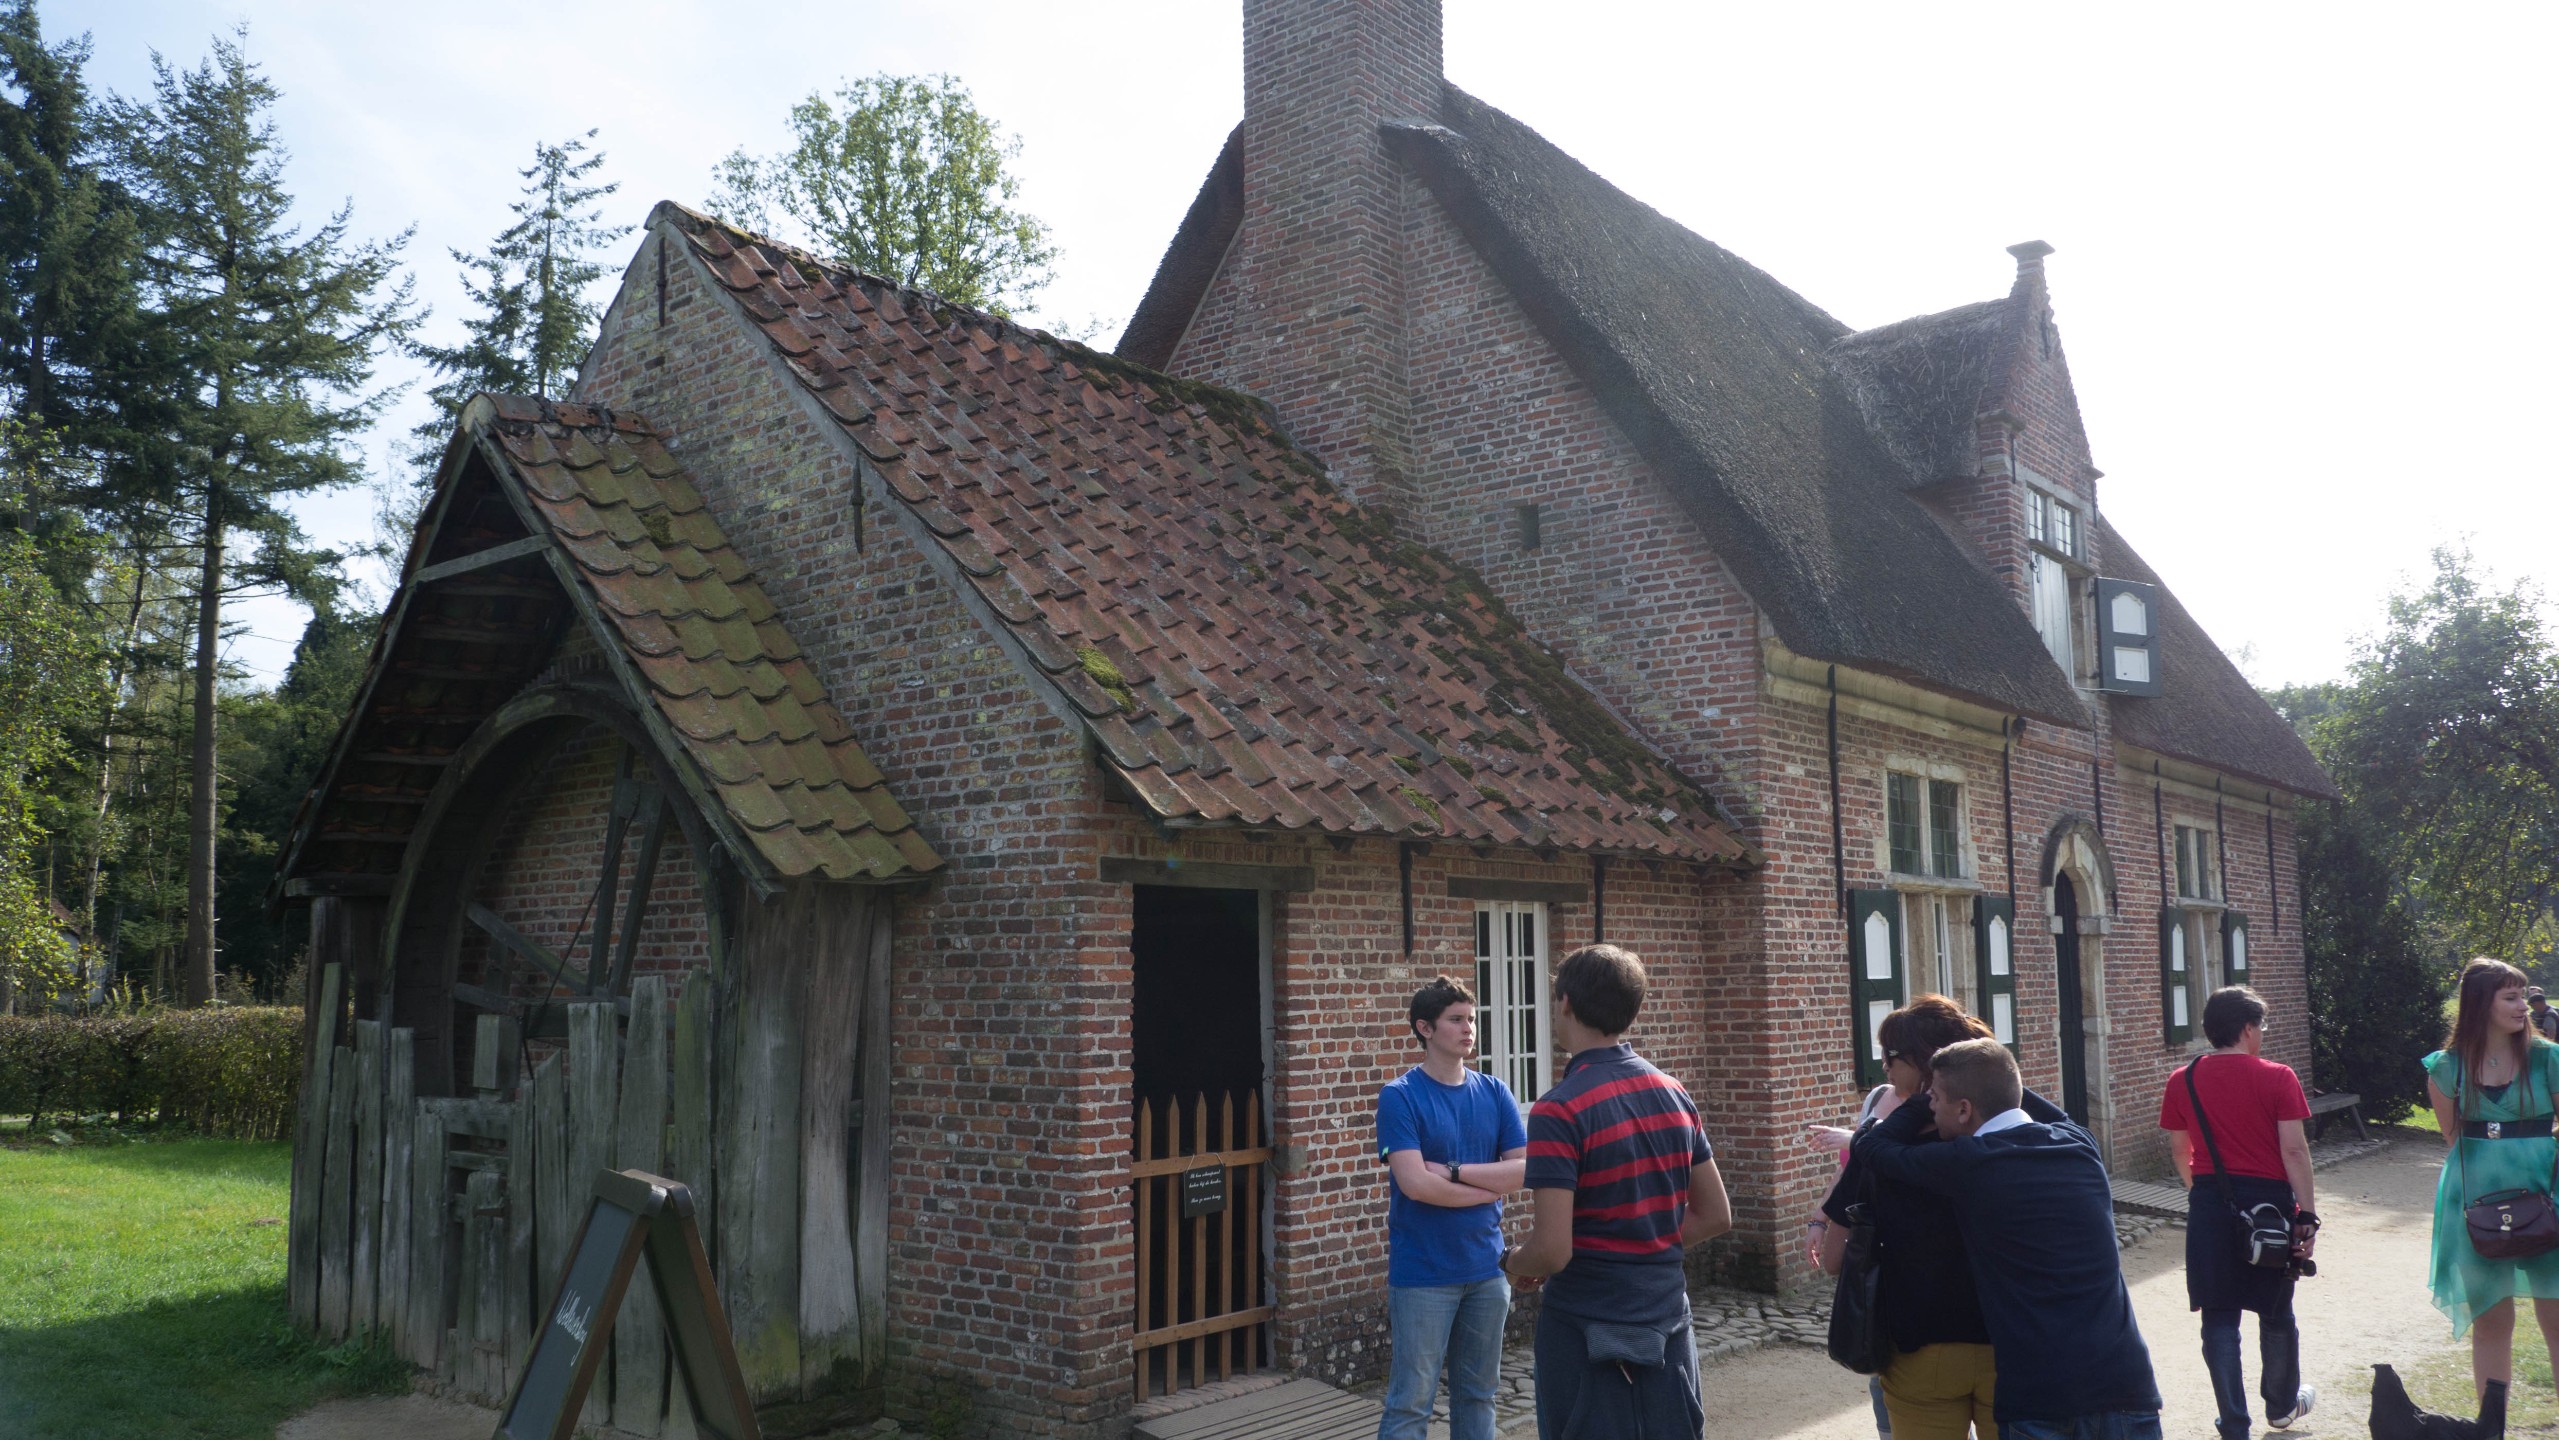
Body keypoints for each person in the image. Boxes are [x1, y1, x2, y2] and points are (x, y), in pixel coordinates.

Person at [1853, 1038, 2161, 1440]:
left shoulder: (1970, 1162)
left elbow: (1870, 1146)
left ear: (1964, 1109)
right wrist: (1988, 1071)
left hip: (2040, 1396)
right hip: (2125, 1382)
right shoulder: (2080, 1144)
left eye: (1936, 1099)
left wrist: (1917, 1100)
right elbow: (2023, 1101)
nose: (1931, 1107)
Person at [1500, 945, 1731, 1440]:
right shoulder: (1673, 1093)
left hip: (1587, 1332)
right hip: (1668, 1324)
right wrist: (1647, 1244)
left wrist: (1513, 1262)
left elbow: (1553, 1250)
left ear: (1565, 1002)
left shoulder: (1559, 1109)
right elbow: (1715, 1215)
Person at [1816, 997, 2000, 1440]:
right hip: (2007, 1339)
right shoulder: (2014, 1138)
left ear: (1922, 1063)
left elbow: (1835, 1259)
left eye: (1890, 1056)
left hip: (1922, 1347)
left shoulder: (1879, 1149)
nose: (1884, 1067)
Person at [2159, 986, 2318, 1437]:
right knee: (2276, 1309)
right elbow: (2294, 1151)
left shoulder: (2183, 1079)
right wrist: (2307, 1214)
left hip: (2211, 1202)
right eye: (2261, 1026)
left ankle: (2233, 1422)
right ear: (2248, 1029)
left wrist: (2203, 1193)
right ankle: (2281, 1406)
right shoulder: (2278, 1077)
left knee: (2218, 1317)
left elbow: (2180, 1149)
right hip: (2269, 1204)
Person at [1374, 976, 1528, 1440]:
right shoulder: (1400, 1096)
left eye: (1472, 1019)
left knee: (1479, 1396)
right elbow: (1416, 1184)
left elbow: (1523, 1171)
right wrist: (1487, 1188)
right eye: (1456, 1020)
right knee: (1411, 1402)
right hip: (1424, 1273)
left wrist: (1455, 1172)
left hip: (1487, 1269)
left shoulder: (1495, 1091)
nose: (1469, 1029)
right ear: (1425, 1028)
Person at [2425, 957, 2559, 1398]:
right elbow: (2454, 1140)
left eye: (2523, 996)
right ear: (2481, 1003)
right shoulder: (2447, 1067)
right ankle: (2491, 1425)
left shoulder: (2548, 1058)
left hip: (2548, 1193)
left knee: (2557, 1318)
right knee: (2491, 1322)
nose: (2524, 1006)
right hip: (2476, 1203)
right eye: (2511, 997)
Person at [1807, 1064, 1911, 1440]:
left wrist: (1856, 1139)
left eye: (1893, 1054)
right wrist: (1820, 1218)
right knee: (1878, 1359)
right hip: (1871, 1256)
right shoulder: (1878, 1097)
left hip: (1907, 1254)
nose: (1884, 1064)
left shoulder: (1936, 1105)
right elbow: (1850, 1173)